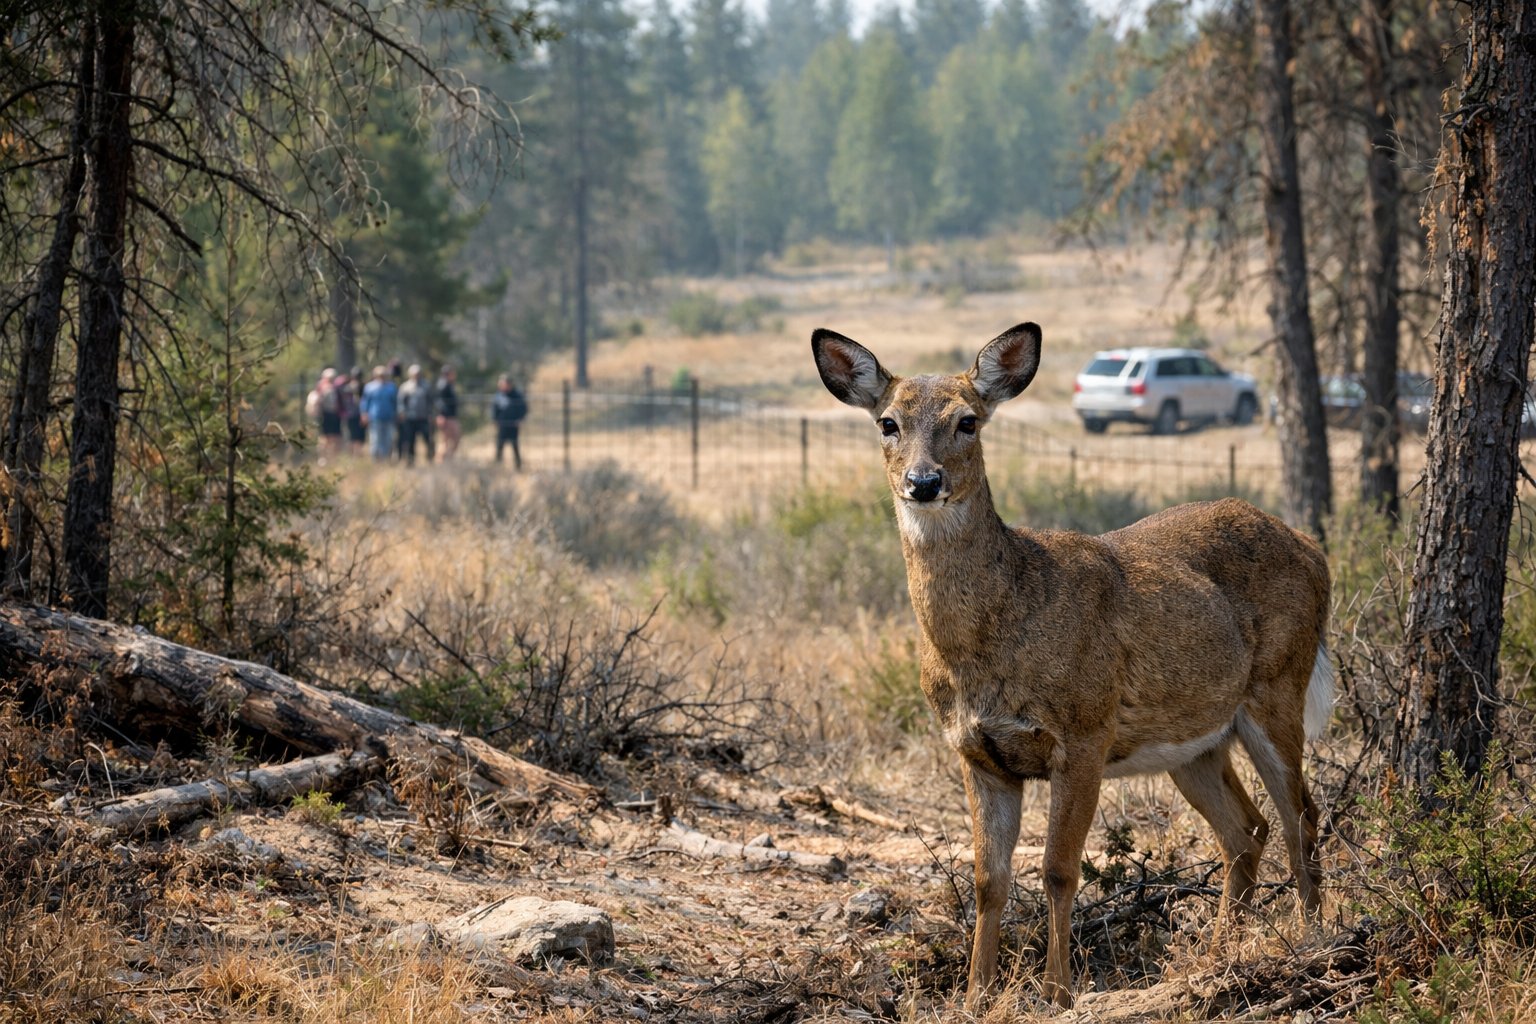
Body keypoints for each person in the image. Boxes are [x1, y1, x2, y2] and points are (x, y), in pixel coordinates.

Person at [360, 365, 398, 461]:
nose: (381, 377)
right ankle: (375, 460)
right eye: (379, 375)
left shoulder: (391, 387)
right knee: (375, 440)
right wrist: (364, 414)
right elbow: (365, 402)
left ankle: (386, 459)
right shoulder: (369, 387)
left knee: (388, 440)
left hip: (389, 417)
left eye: (383, 375)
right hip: (375, 417)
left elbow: (395, 402)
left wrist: (397, 413)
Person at [398, 364, 433, 467]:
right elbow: (401, 402)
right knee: (410, 440)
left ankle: (430, 458)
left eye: (418, 374)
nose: (416, 376)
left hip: (423, 418)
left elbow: (431, 401)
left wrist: (431, 414)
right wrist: (402, 412)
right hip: (410, 418)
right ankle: (410, 461)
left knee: (428, 439)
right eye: (414, 374)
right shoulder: (405, 387)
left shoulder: (426, 386)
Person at [491, 375, 527, 470]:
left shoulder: (517, 395)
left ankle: (518, 466)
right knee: (499, 445)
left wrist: (520, 419)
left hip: (513, 426)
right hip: (502, 425)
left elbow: (523, 409)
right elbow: (494, 409)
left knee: (515, 446)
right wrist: (495, 420)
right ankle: (497, 466)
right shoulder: (498, 395)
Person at [435, 364, 461, 462]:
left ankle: (448, 457)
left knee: (453, 438)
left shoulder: (449, 384)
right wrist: (441, 415)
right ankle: (441, 459)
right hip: (447, 417)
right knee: (446, 439)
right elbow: (439, 402)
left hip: (450, 416)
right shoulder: (443, 385)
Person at [345, 365, 366, 455]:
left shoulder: (363, 386)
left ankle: (357, 453)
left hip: (359, 414)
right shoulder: (348, 387)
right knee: (353, 435)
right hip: (352, 414)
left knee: (358, 435)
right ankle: (354, 453)